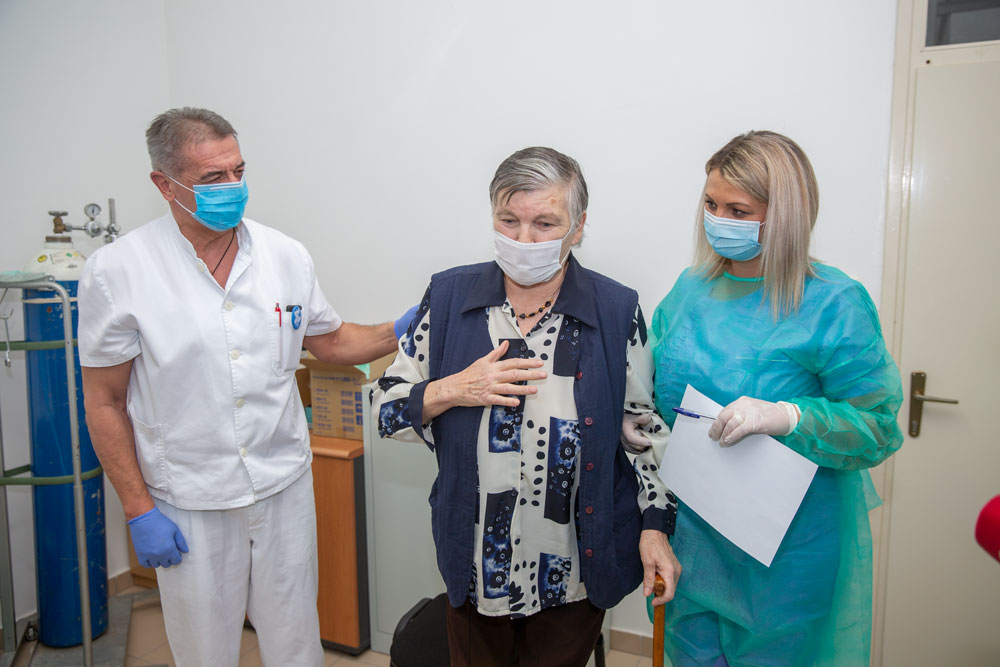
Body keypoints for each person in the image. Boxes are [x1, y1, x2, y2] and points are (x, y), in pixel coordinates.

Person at [78, 107, 413, 666]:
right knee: (205, 651)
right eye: (213, 177)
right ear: (165, 184)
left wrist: (400, 328)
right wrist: (138, 509)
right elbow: (104, 401)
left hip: (282, 484)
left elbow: (329, 342)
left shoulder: (285, 254)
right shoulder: (118, 271)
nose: (232, 186)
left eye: (238, 170)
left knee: (297, 643)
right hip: (190, 498)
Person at [371, 147, 681, 667]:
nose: (523, 240)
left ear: (578, 227)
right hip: (475, 570)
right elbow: (384, 407)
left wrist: (655, 526)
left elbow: (643, 433)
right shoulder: (449, 298)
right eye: (508, 220)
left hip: (572, 570)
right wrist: (454, 388)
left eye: (545, 224)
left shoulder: (614, 310)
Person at [645, 130, 903, 666]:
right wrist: (641, 419)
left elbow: (877, 427)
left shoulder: (832, 302)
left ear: (784, 215)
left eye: (738, 210)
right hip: (692, 535)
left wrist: (788, 416)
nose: (718, 220)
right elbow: (657, 381)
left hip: (786, 551)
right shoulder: (691, 289)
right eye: (711, 204)